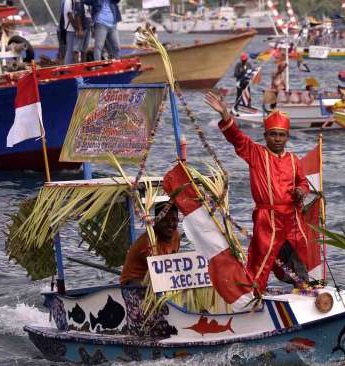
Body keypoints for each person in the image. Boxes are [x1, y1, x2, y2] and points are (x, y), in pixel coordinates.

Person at [205, 91, 311, 293]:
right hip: (267, 217)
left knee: (299, 251)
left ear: (287, 137)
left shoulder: (294, 160)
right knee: (261, 257)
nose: (277, 139)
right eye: (273, 134)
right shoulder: (256, 153)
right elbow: (236, 138)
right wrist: (225, 114)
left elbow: (303, 183)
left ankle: (302, 286)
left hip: (292, 216)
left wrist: (301, 190)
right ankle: (255, 293)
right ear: (265, 136)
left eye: (281, 135)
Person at [120, 203, 180, 286]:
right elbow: (160, 272)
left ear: (178, 220)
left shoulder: (176, 235)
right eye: (165, 220)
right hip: (132, 284)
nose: (170, 224)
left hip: (155, 280)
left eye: (174, 219)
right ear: (157, 221)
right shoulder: (148, 242)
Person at [61, 0, 83, 64]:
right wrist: (77, 28)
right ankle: (67, 69)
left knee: (73, 51)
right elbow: (69, 15)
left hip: (74, 29)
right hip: (71, 29)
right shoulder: (68, 1)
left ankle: (70, 68)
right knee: (70, 51)